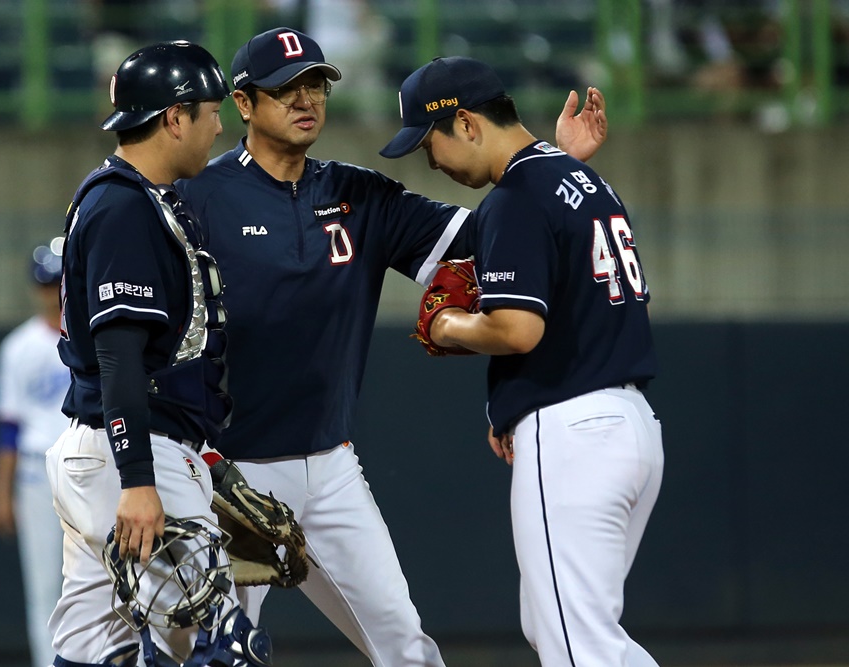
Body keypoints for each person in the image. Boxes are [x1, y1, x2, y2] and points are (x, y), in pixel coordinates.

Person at [175, 26, 607, 666]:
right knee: (204, 653)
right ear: (243, 103)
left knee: (405, 645)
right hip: (226, 471)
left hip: (330, 466)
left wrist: (557, 166)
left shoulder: (359, 193)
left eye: (316, 84)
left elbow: (496, 234)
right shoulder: (197, 197)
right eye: (285, 88)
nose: (306, 99)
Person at [379, 56, 663, 666]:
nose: (431, 162)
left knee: (578, 642)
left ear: (467, 123)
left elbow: (517, 328)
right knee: (553, 624)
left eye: (431, 143)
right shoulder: (580, 181)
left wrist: (446, 323)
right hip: (627, 425)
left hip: (575, 433)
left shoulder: (515, 197)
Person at [46, 41, 271, 667]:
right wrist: (141, 478)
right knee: (222, 643)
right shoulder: (124, 207)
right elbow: (121, 358)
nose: (219, 124)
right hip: (131, 453)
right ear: (175, 117)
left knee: (98, 652)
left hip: (108, 448)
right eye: (209, 110)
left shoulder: (136, 196)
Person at [0, 240, 70, 667]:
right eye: (45, 283)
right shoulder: (18, 348)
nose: (51, 291)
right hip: (37, 475)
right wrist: (2, 493)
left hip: (87, 469)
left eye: (57, 281)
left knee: (105, 580)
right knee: (44, 586)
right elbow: (9, 428)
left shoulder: (94, 338)